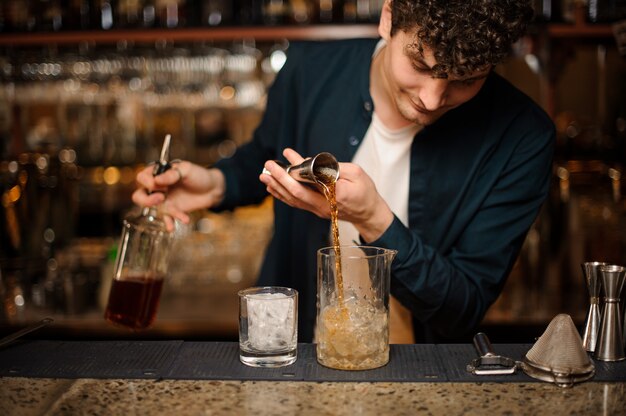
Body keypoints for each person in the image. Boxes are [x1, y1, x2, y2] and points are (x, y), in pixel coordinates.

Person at [133, 0, 555, 343]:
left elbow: (462, 310)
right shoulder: (310, 68)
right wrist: (216, 184)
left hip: (419, 376)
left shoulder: (522, 137)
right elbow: (265, 155)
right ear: (389, 18)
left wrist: (374, 219)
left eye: (466, 80)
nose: (432, 98)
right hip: (291, 355)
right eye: (421, 65)